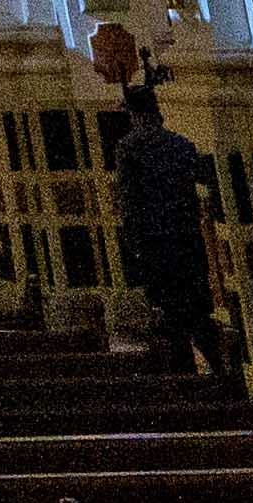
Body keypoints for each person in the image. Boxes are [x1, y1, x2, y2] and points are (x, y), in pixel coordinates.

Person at [97, 25, 222, 377]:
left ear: (136, 116)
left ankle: (184, 374)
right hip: (188, 239)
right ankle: (218, 370)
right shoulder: (182, 144)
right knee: (197, 311)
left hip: (155, 242)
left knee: (169, 313)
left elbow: (131, 199)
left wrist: (133, 244)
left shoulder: (129, 149)